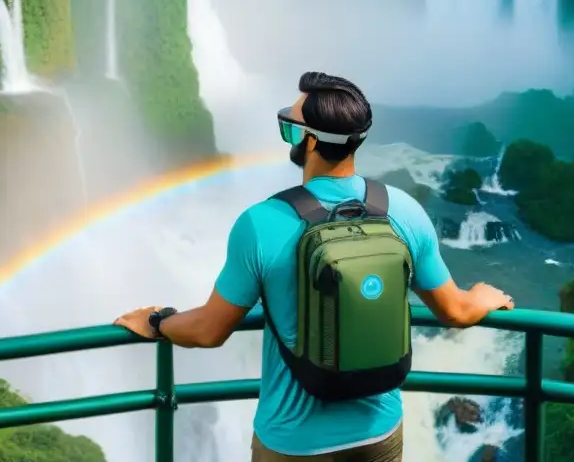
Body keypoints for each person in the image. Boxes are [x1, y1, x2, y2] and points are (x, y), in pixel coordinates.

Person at [115, 71, 514, 461]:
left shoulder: (260, 224)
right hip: (379, 436)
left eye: (289, 126)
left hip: (293, 443)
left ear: (308, 141)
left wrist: (156, 321)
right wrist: (482, 296)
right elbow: (456, 311)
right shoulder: (404, 211)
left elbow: (208, 330)